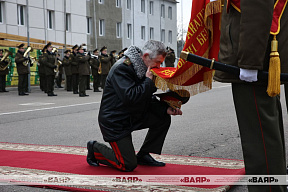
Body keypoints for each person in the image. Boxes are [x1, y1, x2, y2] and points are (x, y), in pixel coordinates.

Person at [213, 1, 287, 192]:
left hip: (255, 57)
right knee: (268, 133)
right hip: (262, 55)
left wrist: (249, 61)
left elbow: (257, 7)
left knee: (259, 139)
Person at [86, 40, 182, 172]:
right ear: (146, 56)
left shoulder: (143, 67)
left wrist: (165, 108)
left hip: (131, 115)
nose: (159, 67)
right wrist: (148, 81)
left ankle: (144, 155)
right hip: (115, 121)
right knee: (127, 164)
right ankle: (95, 148)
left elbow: (146, 97)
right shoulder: (122, 68)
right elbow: (131, 97)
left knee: (163, 117)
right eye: (158, 62)